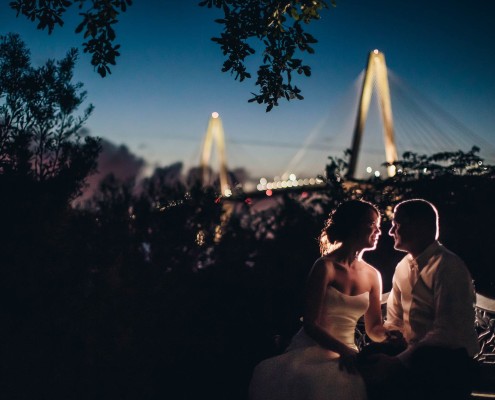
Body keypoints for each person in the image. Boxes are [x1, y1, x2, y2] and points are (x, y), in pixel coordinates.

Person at [249, 200, 392, 400]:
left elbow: (374, 328)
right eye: (371, 224)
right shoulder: (325, 267)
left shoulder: (373, 275)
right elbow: (311, 324)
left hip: (349, 353)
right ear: (353, 225)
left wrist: (392, 335)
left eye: (378, 225)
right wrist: (344, 351)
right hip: (314, 349)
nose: (379, 231)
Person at [363, 199, 479, 400]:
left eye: (397, 225)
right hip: (413, 355)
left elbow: (447, 332)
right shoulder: (402, 268)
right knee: (367, 358)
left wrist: (398, 362)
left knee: (421, 364)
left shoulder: (448, 266)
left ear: (419, 227)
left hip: (447, 360)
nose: (391, 232)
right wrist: (392, 336)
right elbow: (395, 320)